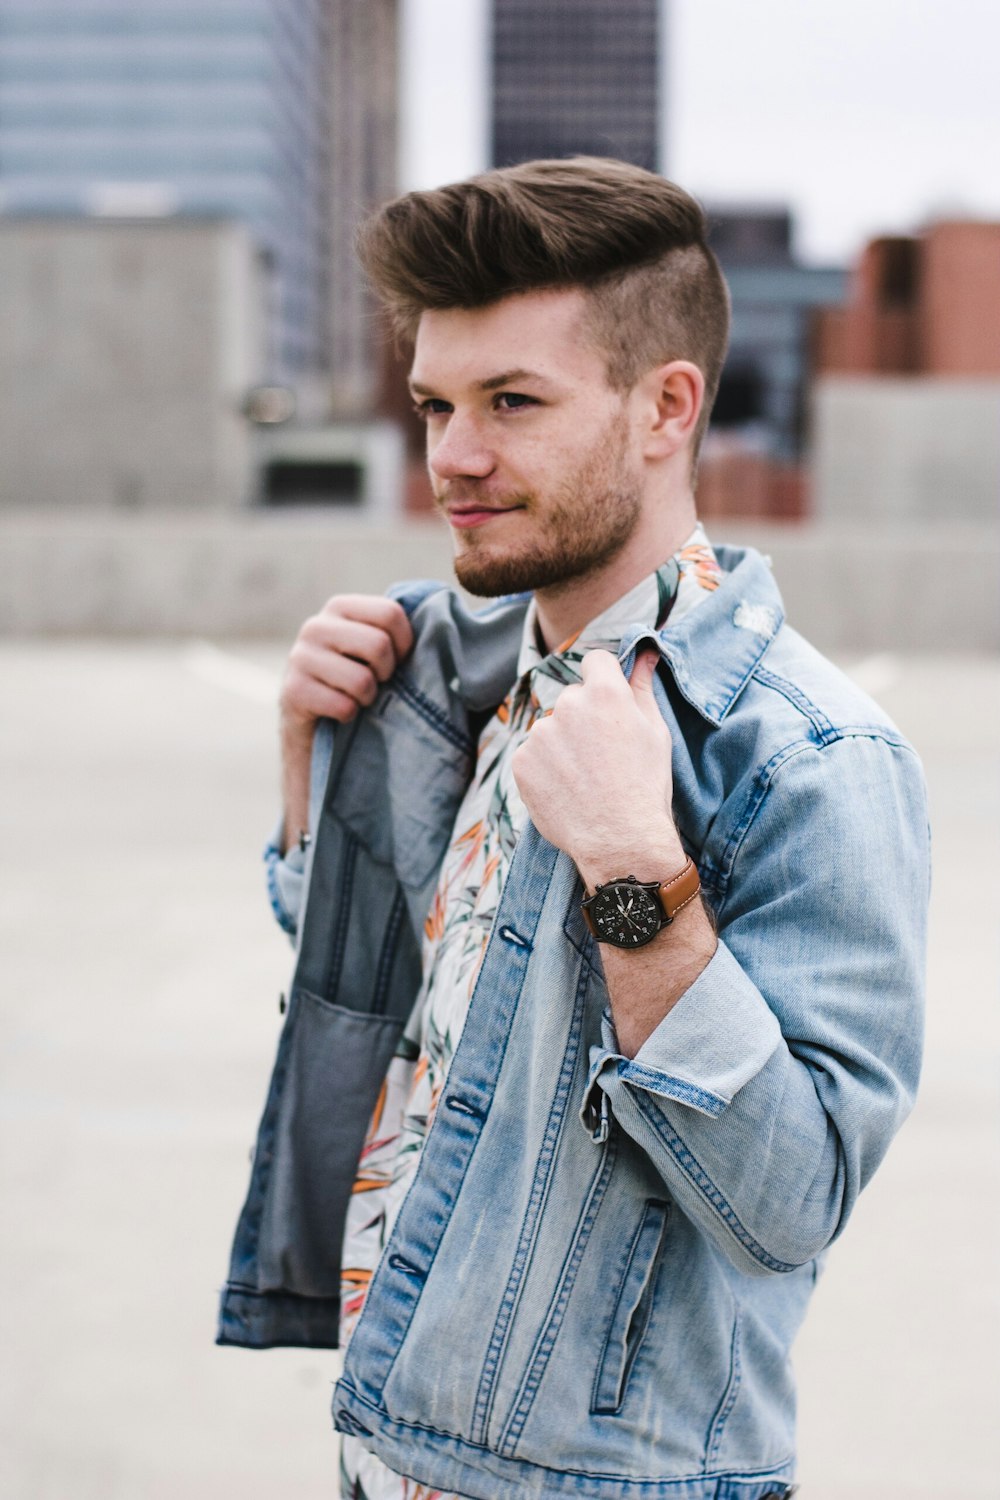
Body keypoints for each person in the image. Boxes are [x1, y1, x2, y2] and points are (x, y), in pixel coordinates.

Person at [218, 158, 929, 1500]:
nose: (453, 457)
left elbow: (789, 1201)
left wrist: (634, 871)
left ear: (666, 408)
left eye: (512, 404)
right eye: (436, 404)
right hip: (393, 1445)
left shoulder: (812, 756)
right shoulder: (447, 680)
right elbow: (433, 1010)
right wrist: (308, 780)